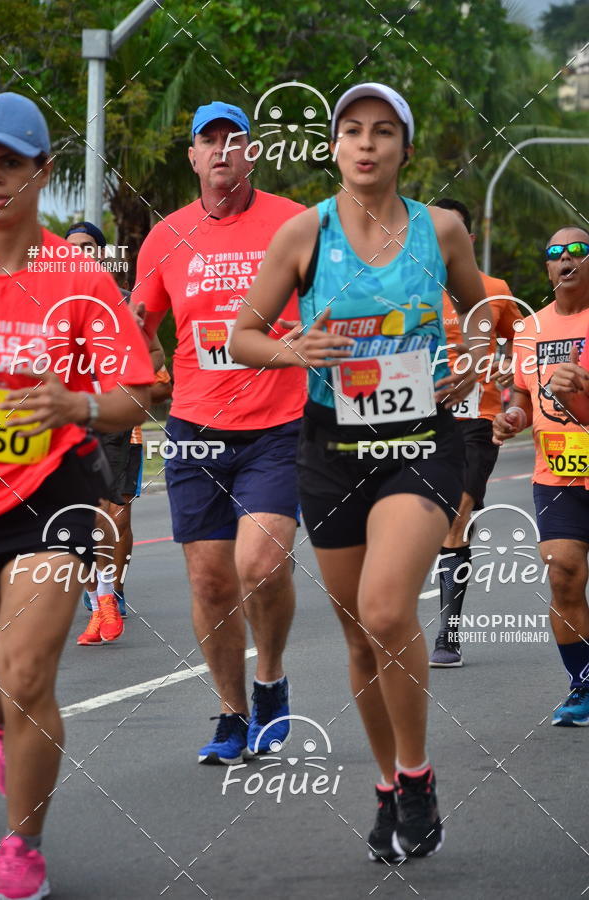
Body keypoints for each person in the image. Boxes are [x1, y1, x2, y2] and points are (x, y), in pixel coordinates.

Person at [231, 83, 488, 862]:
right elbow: (242, 335)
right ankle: (388, 783)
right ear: (335, 147)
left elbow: (486, 322)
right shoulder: (302, 235)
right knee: (357, 638)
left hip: (420, 440)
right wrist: (292, 349)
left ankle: (417, 776)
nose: (367, 144)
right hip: (331, 445)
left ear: (405, 149)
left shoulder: (441, 230)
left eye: (383, 132)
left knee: (385, 611)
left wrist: (471, 365)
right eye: (352, 131)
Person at [0, 92, 154, 899]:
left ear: (41, 172)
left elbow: (137, 393)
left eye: (10, 164)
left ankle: (22, 850)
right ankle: (2, 726)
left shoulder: (75, 273)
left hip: (48, 494)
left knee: (23, 674)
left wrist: (76, 405)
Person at [133, 101, 306, 765]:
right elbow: (136, 330)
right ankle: (232, 714)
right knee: (210, 582)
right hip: (195, 428)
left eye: (235, 140)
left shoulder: (293, 222)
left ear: (253, 153)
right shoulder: (165, 237)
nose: (223, 152)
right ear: (194, 158)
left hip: (279, 424)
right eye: (210, 142)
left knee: (261, 566)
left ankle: (271, 683)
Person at [493, 226, 589, 726]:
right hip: (559, 472)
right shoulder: (529, 330)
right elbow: (522, 397)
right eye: (555, 253)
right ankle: (584, 683)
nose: (566, 258)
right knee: (564, 572)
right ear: (547, 268)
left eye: (578, 250)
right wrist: (511, 417)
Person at [429, 198, 522, 667]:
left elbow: (522, 344)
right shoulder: (406, 290)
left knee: (455, 516)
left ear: (465, 239)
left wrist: (508, 367)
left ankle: (448, 635)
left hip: (476, 421)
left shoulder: (494, 289)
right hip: (414, 422)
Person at [64, 222, 166, 645]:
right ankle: (97, 593)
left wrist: (134, 371)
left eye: (89, 247)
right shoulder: (46, 298)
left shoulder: (122, 301)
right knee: (71, 517)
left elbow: (156, 353)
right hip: (62, 419)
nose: (80, 254)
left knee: (105, 509)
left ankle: (107, 598)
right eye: (72, 248)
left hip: (109, 417)